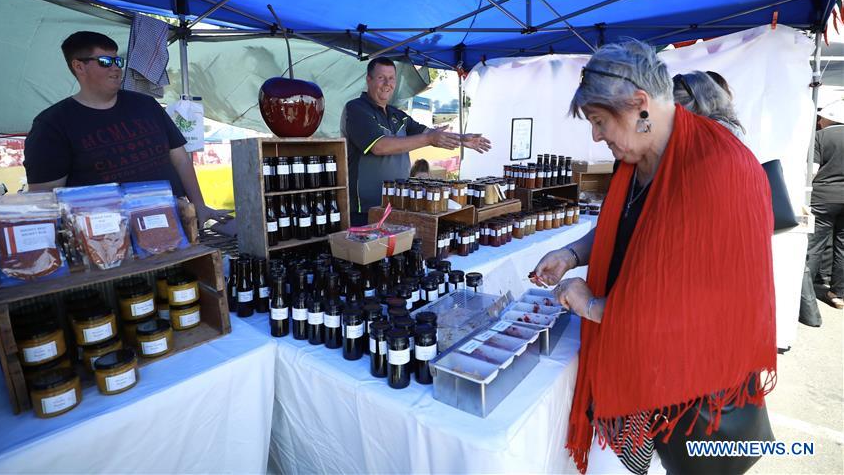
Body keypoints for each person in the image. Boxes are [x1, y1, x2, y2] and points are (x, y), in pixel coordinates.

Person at [531, 41, 776, 474]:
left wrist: (588, 303)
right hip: (650, 373)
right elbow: (621, 223)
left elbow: (684, 312)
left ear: (640, 106)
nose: (595, 135)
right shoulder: (638, 157)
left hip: (694, 390)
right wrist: (571, 254)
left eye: (599, 121)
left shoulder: (718, 168)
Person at [23, 31, 227, 227]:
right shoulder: (52, 124)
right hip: (107, 238)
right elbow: (45, 196)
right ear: (79, 66)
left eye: (118, 61)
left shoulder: (147, 105)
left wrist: (199, 205)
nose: (115, 68)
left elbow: (180, 159)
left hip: (174, 224)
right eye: (105, 62)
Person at [341, 57, 491, 225]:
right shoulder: (356, 109)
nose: (387, 83)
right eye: (381, 77)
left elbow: (429, 132)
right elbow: (379, 146)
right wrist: (429, 139)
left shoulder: (397, 115)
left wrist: (462, 139)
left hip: (397, 205)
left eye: (391, 78)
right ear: (369, 80)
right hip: (364, 210)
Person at [806, 99, 844, 310]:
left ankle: (806, 294)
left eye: (822, 118)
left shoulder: (820, 137)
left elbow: (812, 169)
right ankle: (838, 295)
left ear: (830, 119)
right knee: (843, 246)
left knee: (815, 244)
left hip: (822, 197)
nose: (819, 121)